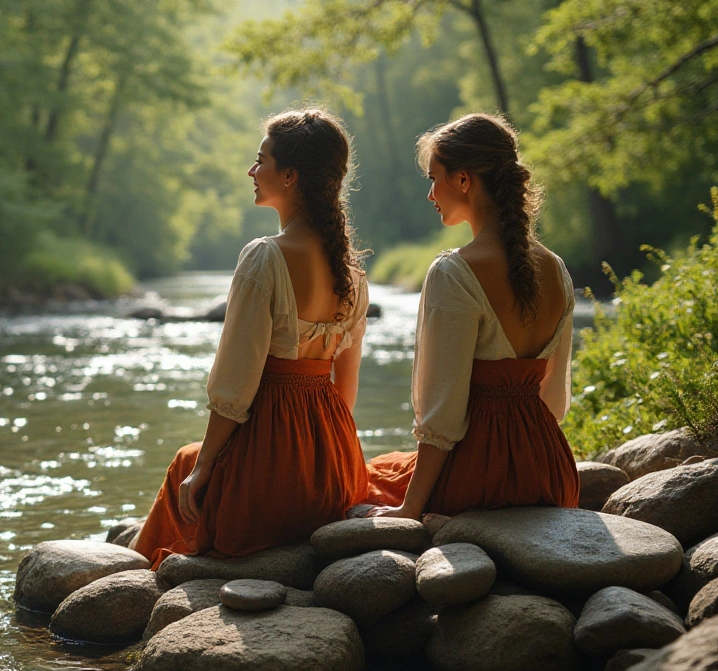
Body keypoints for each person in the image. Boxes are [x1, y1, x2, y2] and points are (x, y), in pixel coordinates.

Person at [132, 109, 372, 569]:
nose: (252, 171)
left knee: (186, 462)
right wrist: (328, 458)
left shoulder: (265, 257)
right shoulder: (354, 271)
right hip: (337, 468)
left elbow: (234, 387)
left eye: (260, 160)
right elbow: (346, 390)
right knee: (195, 462)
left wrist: (204, 468)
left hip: (273, 475)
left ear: (290, 175)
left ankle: (131, 578)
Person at [362, 113, 579, 519]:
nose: (430, 194)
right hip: (549, 471)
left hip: (478, 477)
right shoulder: (557, 269)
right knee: (386, 468)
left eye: (433, 178)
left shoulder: (454, 273)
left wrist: (410, 508)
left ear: (463, 180)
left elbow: (441, 418)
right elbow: (553, 403)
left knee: (364, 480)